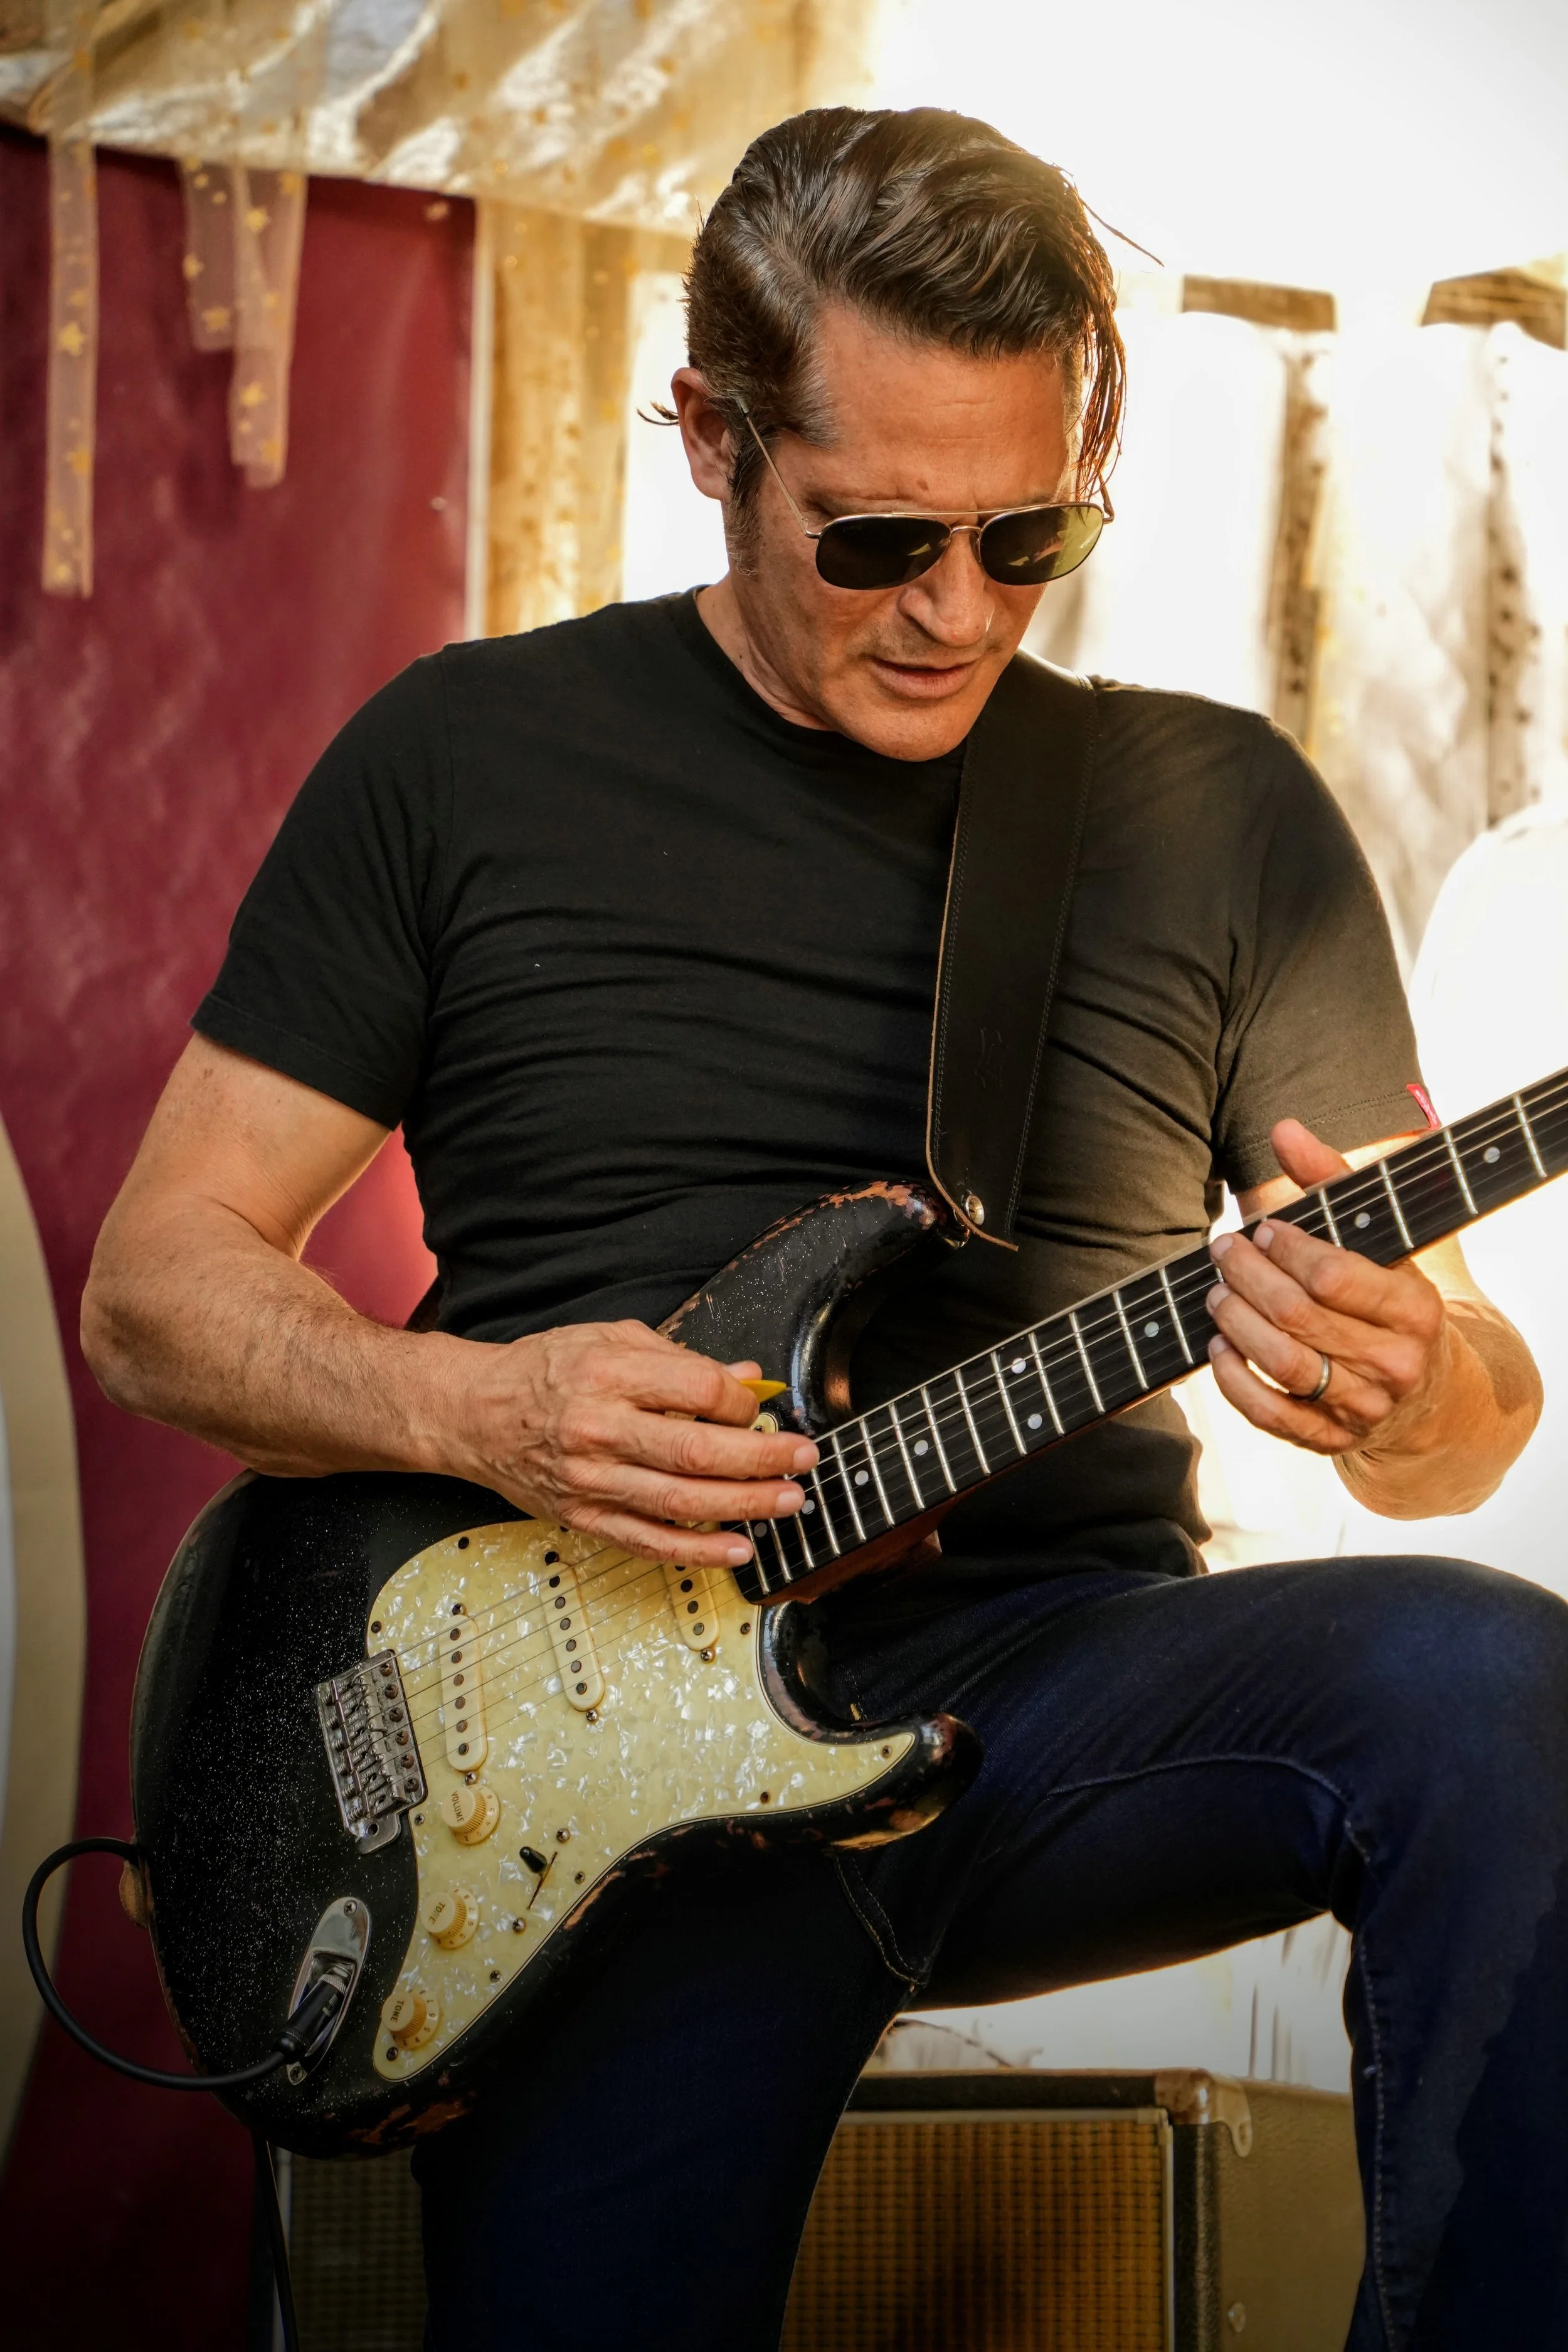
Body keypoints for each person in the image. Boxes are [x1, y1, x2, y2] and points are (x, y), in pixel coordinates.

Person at [83, 107, 1562, 2352]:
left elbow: (1450, 1419)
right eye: (874, 537)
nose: (958, 609)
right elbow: (156, 1285)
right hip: (591, 1768)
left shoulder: (1213, 815)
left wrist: (1404, 1379)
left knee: (1498, 1684)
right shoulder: (460, 761)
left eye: (1029, 529)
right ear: (706, 433)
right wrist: (477, 1408)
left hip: (1054, 1692)